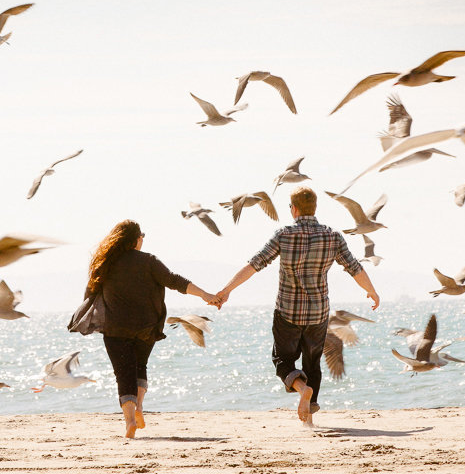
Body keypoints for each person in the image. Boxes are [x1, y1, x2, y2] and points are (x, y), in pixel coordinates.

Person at [215, 186, 379, 427]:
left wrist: (226, 290)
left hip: (287, 313)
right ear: (314, 208)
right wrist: (371, 290)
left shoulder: (284, 234)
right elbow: (354, 267)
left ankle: (303, 390)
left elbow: (255, 264)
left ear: (293, 209)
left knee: (282, 360)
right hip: (318, 314)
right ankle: (309, 420)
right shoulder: (332, 236)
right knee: (312, 364)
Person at [83, 219, 220, 438]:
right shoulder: (149, 261)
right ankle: (139, 409)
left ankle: (129, 422)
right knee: (140, 366)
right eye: (142, 236)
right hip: (146, 327)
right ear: (136, 239)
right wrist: (206, 295)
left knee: (123, 373)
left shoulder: (105, 262)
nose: (143, 240)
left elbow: (90, 294)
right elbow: (174, 280)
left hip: (115, 328)